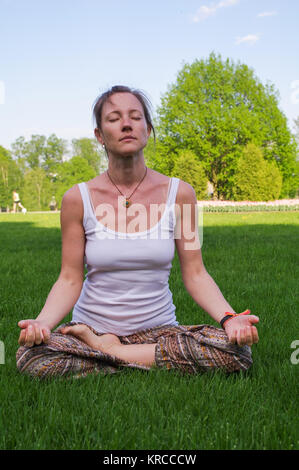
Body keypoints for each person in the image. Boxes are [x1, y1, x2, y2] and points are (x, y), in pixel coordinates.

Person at [16, 85, 259, 379]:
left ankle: (108, 353)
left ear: (148, 128)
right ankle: (134, 356)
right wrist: (42, 324)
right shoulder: (76, 199)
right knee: (31, 357)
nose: (127, 124)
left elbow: (196, 273)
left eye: (135, 116)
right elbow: (69, 278)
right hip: (90, 328)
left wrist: (230, 319)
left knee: (237, 352)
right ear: (99, 135)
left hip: (159, 332)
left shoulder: (181, 194)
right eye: (114, 118)